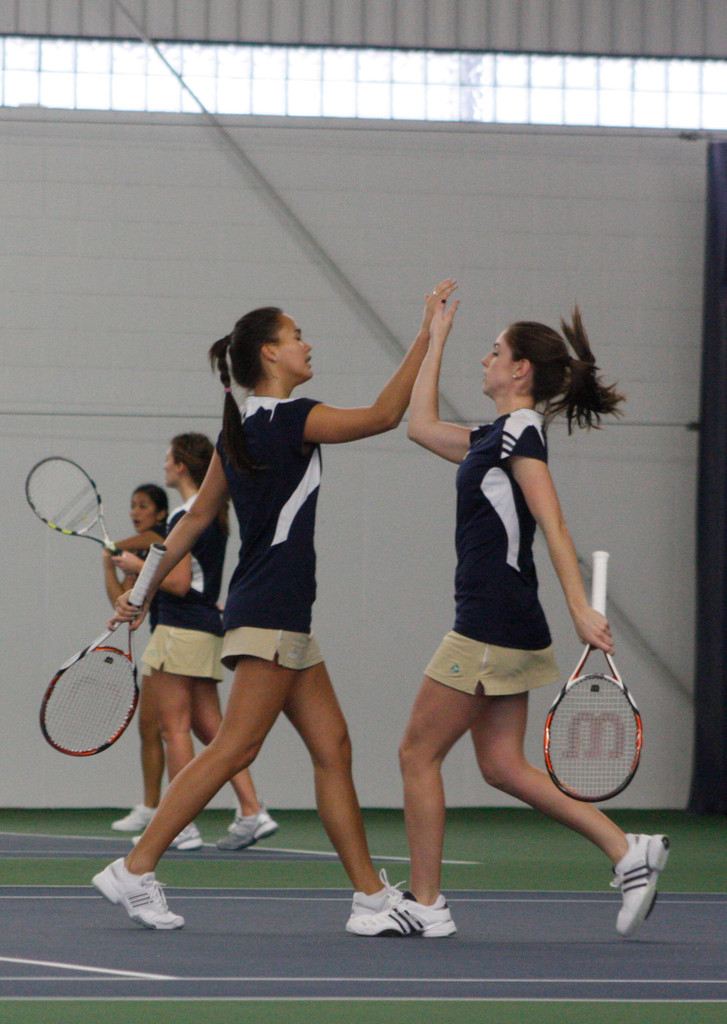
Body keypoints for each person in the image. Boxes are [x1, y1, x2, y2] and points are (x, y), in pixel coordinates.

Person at [92, 280, 458, 929]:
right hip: (269, 614)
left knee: (332, 747)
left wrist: (140, 592)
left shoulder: (240, 431)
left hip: (277, 615)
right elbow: (381, 415)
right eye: (295, 336)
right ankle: (136, 867)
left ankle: (371, 899)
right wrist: (427, 335)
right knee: (233, 748)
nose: (306, 343)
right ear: (268, 354)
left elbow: (195, 519)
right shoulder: (290, 419)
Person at [348, 296, 670, 939]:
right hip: (506, 618)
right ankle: (627, 851)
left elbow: (552, 520)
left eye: (494, 351)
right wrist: (433, 336)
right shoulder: (490, 437)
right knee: (501, 764)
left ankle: (428, 904)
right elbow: (418, 425)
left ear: (520, 370)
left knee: (416, 753)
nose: (486, 358)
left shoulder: (522, 431)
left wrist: (580, 605)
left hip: (491, 620)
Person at [118, 434, 278, 852]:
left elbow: (179, 582)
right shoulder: (212, 513)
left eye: (169, 458)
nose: (164, 464)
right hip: (206, 627)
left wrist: (136, 565)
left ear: (183, 467)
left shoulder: (185, 516)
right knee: (216, 731)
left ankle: (181, 825)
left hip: (181, 631)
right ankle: (252, 810)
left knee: (174, 729)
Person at [102, 484, 168, 832]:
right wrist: (106, 562)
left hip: (182, 636)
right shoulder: (137, 556)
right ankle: (152, 807)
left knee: (198, 731)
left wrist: (113, 547)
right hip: (163, 637)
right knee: (150, 728)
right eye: (132, 505)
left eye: (143, 506)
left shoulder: (163, 539)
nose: (135, 511)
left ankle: (247, 807)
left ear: (160, 514)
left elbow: (149, 540)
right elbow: (122, 600)